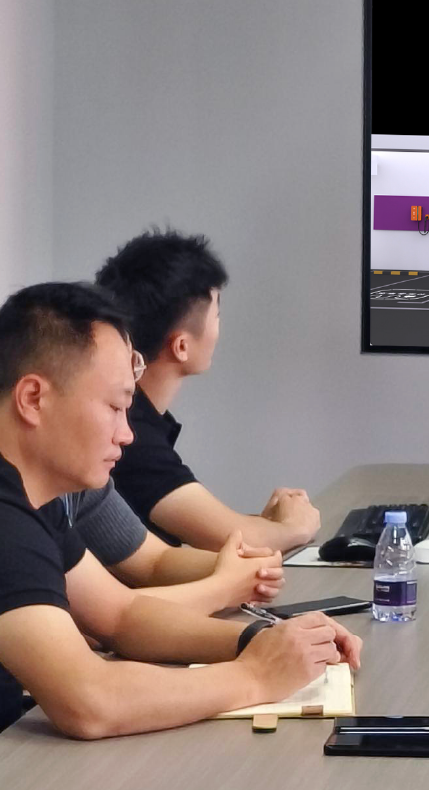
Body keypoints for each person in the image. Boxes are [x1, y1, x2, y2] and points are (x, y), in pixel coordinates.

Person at [0, 282, 359, 790]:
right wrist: (255, 676)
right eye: (114, 407)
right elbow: (89, 701)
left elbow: (120, 616)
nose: (126, 433)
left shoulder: (1, 476)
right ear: (33, 398)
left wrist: (261, 641)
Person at [95, 229, 320, 553]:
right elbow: (235, 540)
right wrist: (297, 525)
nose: (218, 328)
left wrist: (268, 525)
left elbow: (224, 532)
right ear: (181, 346)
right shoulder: (131, 435)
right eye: (216, 315)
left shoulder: (138, 418)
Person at [59, 480, 285, 615]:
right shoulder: (39, 505)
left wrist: (241, 568)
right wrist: (224, 588)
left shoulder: (80, 483)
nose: (127, 436)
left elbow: (153, 560)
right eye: (114, 414)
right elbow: (111, 614)